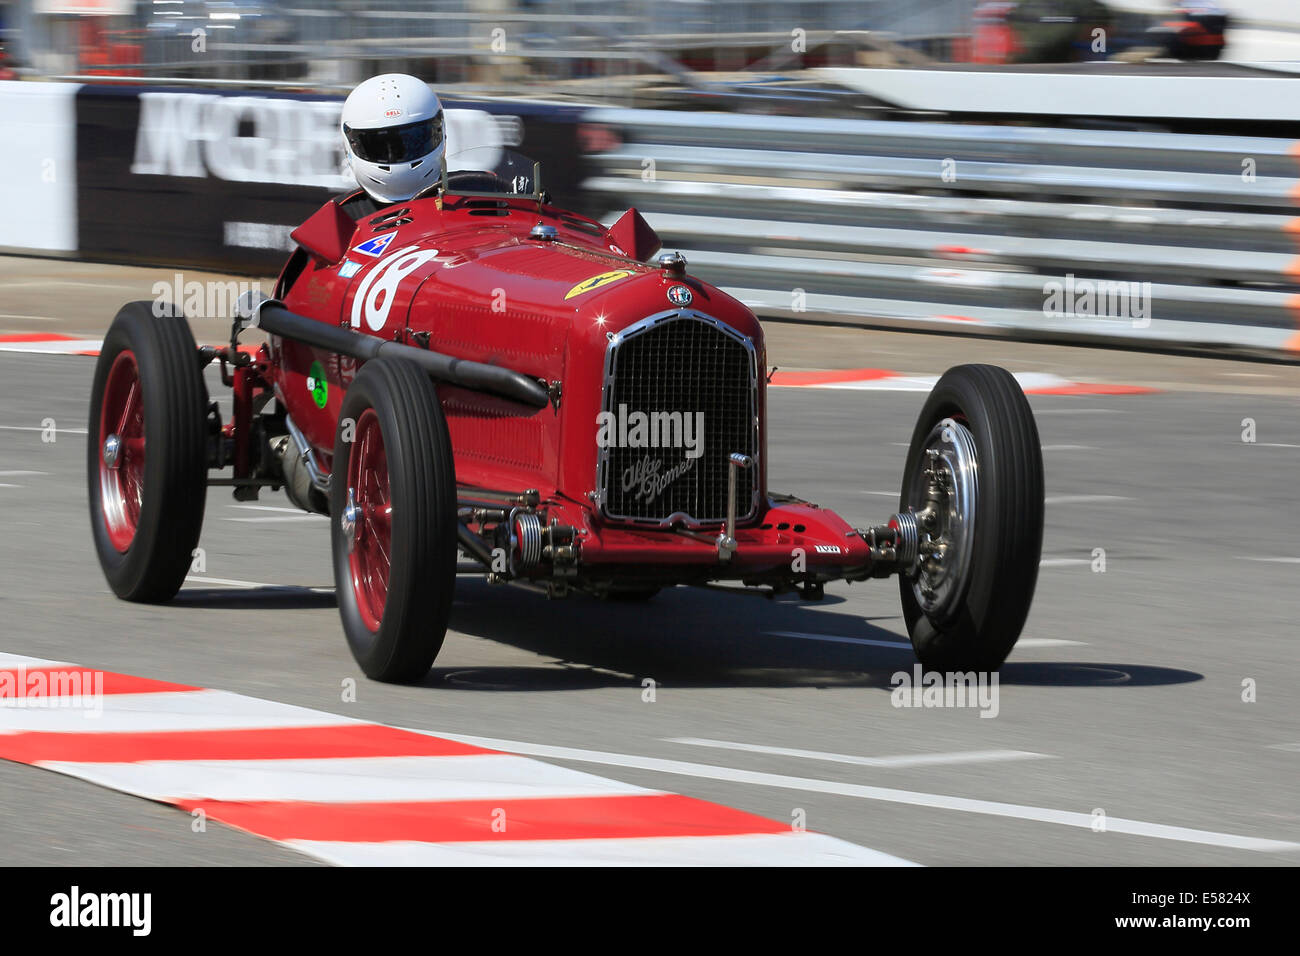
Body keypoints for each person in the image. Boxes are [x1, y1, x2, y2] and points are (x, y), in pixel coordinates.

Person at [340, 73, 445, 213]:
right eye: (378, 146)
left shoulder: (468, 191)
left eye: (411, 140)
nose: (396, 153)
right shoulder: (341, 217)